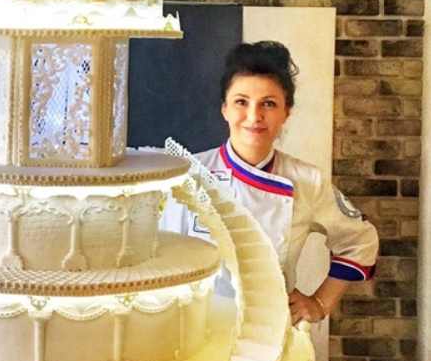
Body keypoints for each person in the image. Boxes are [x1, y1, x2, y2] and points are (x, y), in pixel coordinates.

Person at [162, 40, 379, 325]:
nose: (254, 116)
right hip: (191, 329)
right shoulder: (184, 174)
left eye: (269, 103)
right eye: (241, 102)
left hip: (269, 332)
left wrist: (319, 304)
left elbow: (360, 241)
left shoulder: (307, 181)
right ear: (224, 109)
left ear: (286, 112)